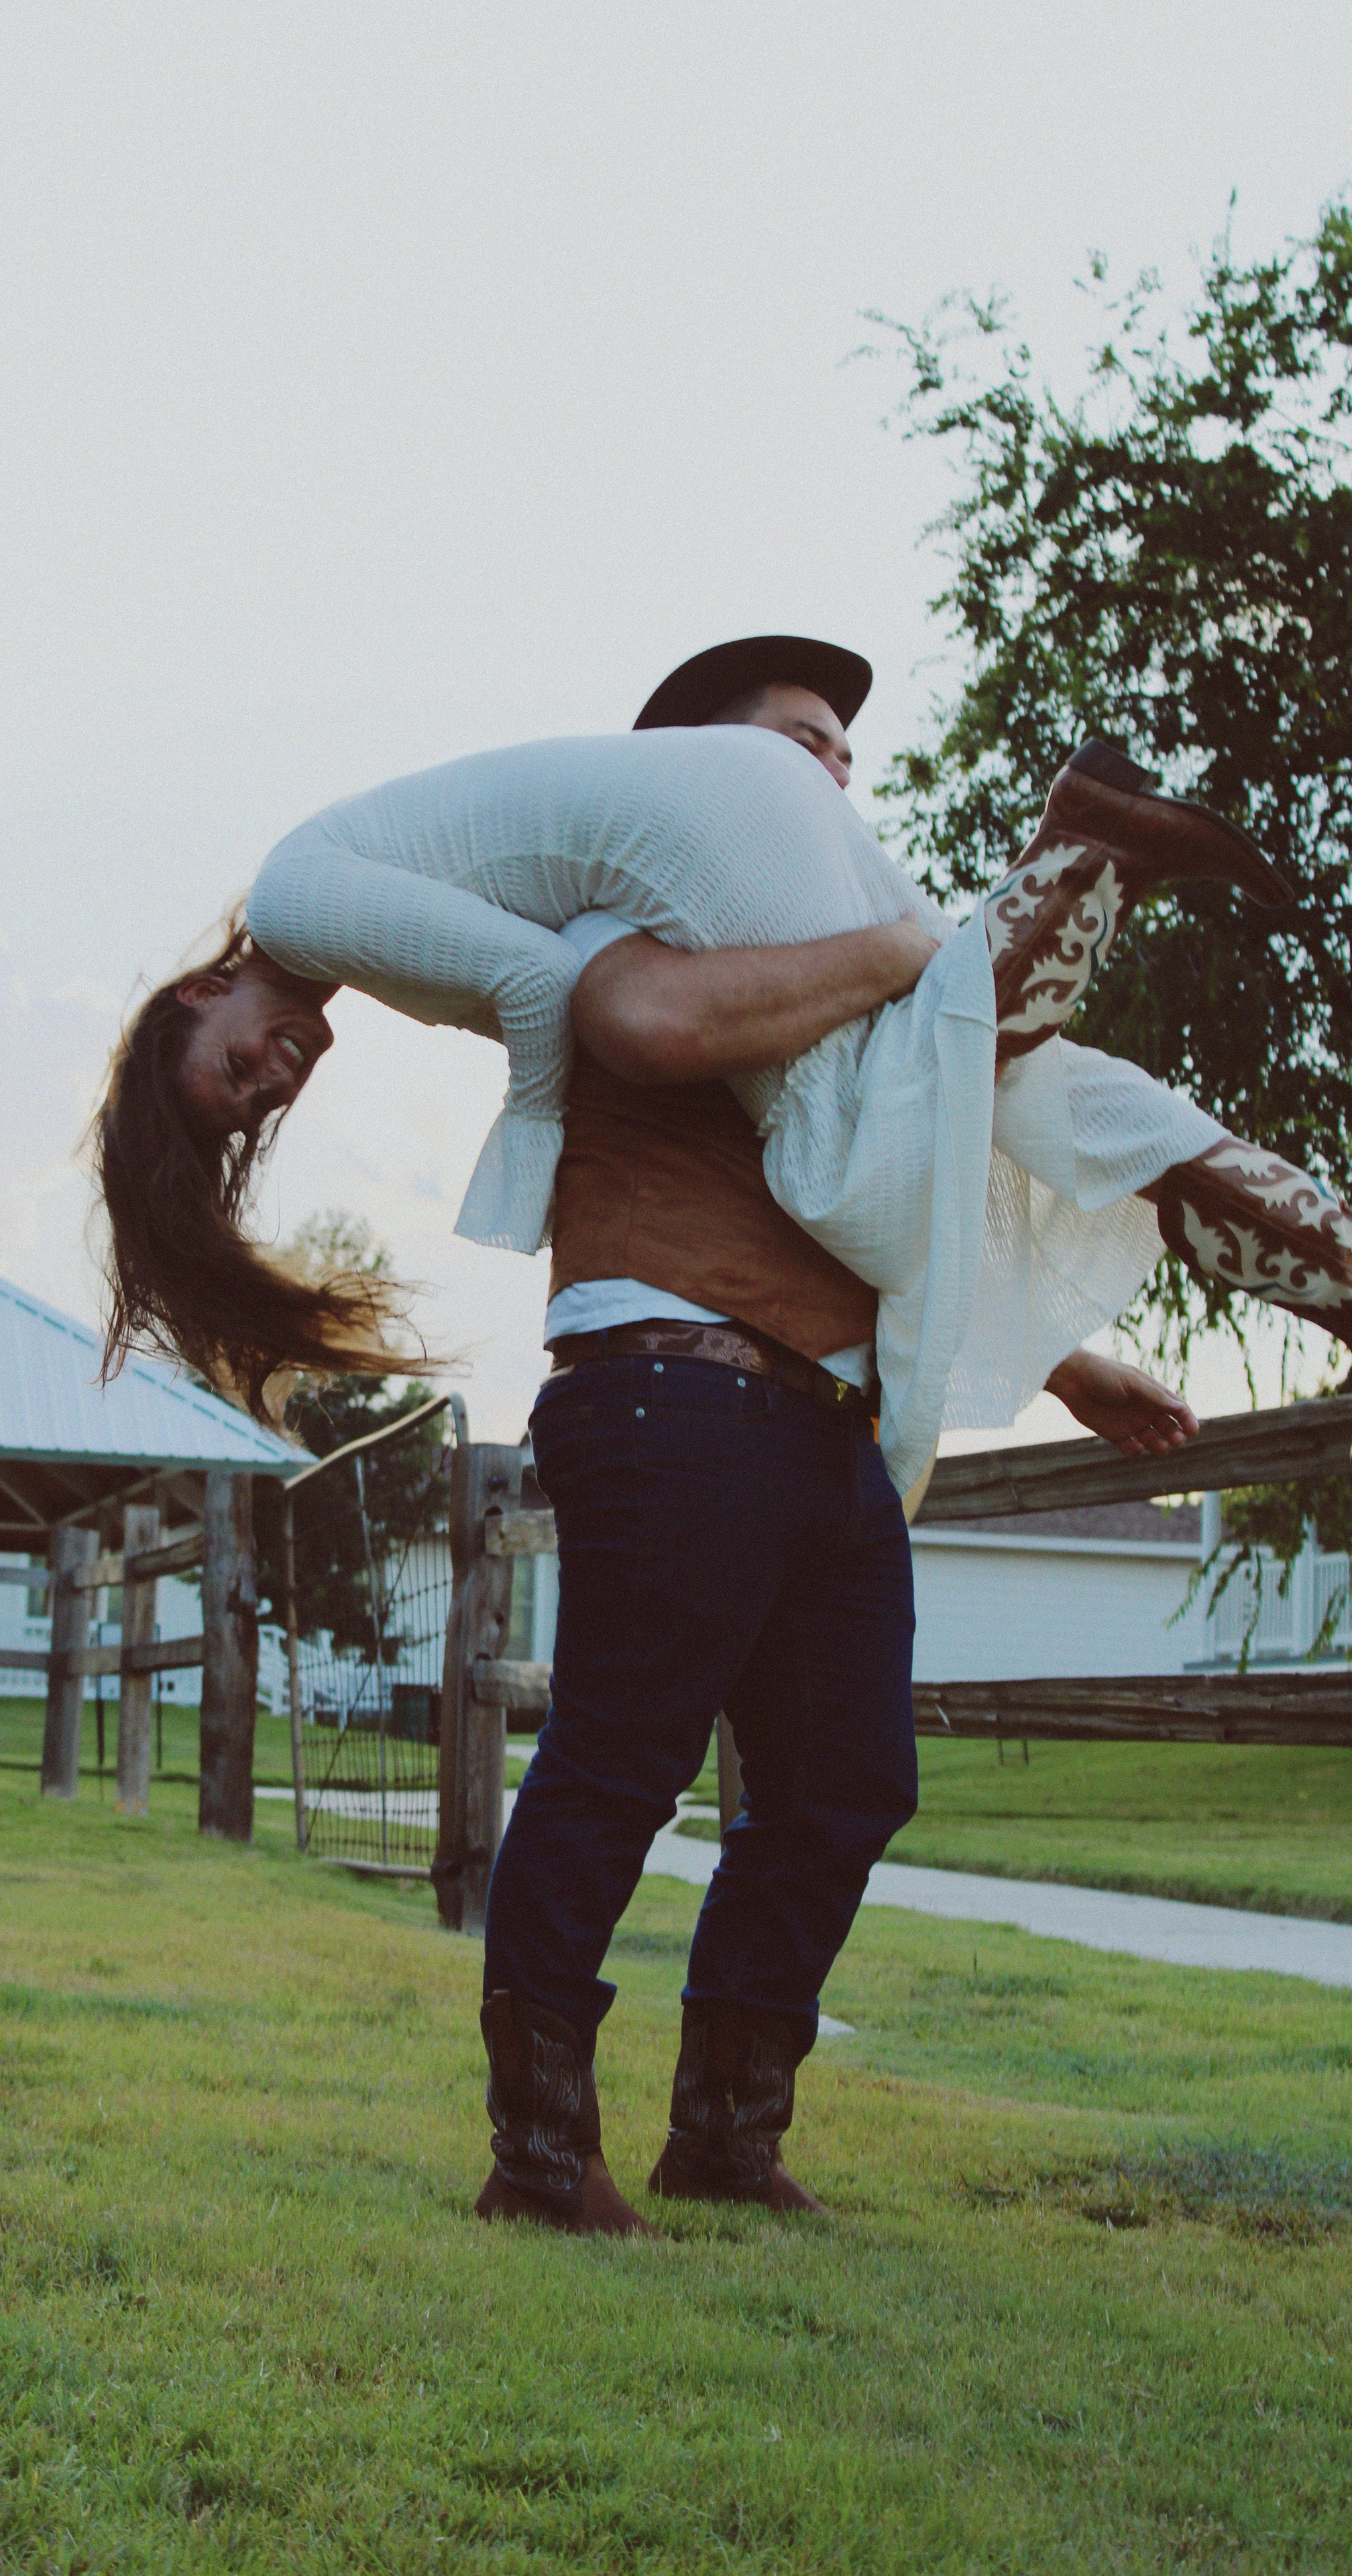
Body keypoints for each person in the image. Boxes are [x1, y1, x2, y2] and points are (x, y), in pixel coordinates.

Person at [90, 635, 1352, 2231]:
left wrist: (1071, 1363)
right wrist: (916, 959)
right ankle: (541, 2151)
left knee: (844, 1783)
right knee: (622, 1756)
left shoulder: (713, 922)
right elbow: (642, 1024)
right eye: (799, 743)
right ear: (698, 764)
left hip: (818, 1419)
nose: (831, 772)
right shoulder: (630, 915)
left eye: (839, 750)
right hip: (674, 1388)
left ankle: (725, 2136)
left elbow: (897, 1164)